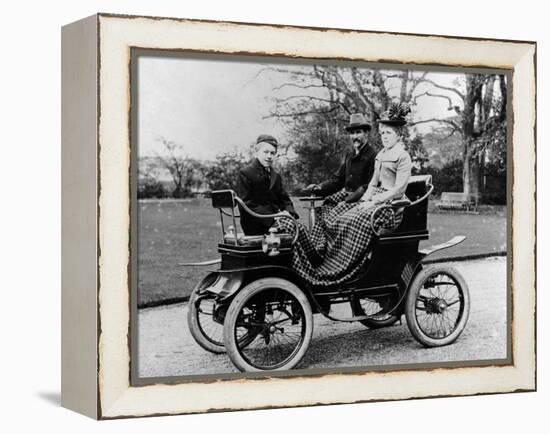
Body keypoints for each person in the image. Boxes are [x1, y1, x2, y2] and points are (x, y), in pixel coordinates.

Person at [281, 103, 413, 287]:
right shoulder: (380, 155)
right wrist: (365, 201)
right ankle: (327, 259)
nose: (384, 137)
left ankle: (344, 266)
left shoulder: (402, 156)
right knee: (343, 216)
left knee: (352, 220)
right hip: (373, 200)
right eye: (382, 133)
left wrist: (371, 200)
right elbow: (372, 183)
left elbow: (398, 189)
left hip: (392, 204)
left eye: (388, 133)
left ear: (399, 135)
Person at [306, 113, 377, 207]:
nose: (355, 137)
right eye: (352, 133)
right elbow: (338, 180)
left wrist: (347, 200)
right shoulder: (350, 155)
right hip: (347, 196)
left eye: (358, 132)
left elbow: (369, 186)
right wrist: (319, 187)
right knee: (324, 208)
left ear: (366, 133)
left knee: (335, 215)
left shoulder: (373, 155)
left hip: (362, 199)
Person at [235, 134, 299, 235]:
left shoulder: (275, 175)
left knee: (299, 228)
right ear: (256, 152)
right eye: (265, 152)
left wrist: (288, 212)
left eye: (272, 153)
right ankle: (297, 251)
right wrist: (274, 216)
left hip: (276, 220)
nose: (269, 156)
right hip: (255, 223)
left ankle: (308, 251)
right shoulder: (246, 173)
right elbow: (247, 204)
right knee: (290, 227)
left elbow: (284, 199)